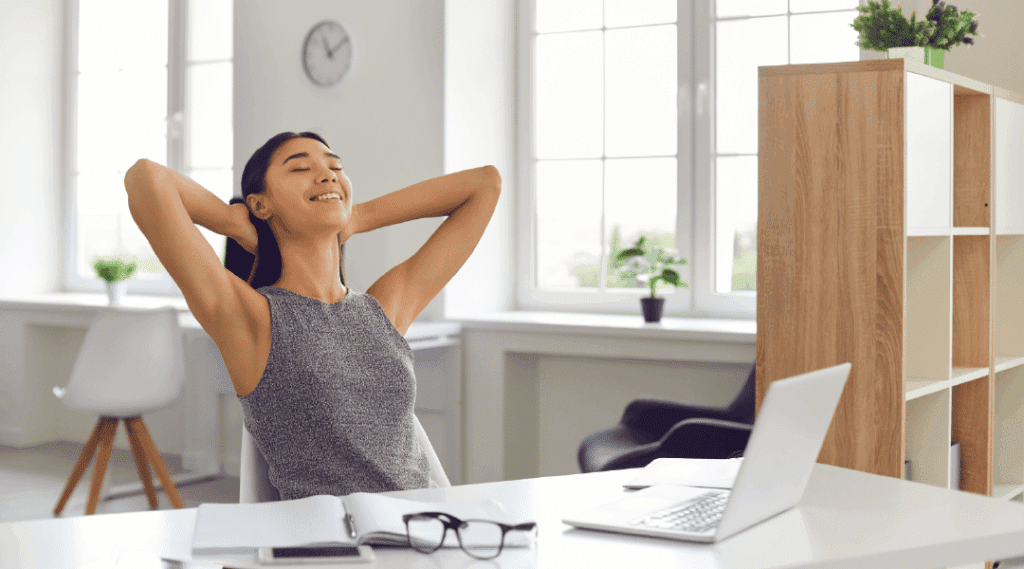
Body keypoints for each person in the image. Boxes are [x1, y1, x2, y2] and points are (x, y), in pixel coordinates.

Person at [124, 131, 500, 499]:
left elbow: (485, 184)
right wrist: (231, 221)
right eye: (300, 168)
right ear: (261, 205)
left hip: (422, 524)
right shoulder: (252, 319)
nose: (327, 175)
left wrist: (358, 215)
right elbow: (148, 179)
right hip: (330, 535)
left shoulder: (382, 310)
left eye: (335, 167)